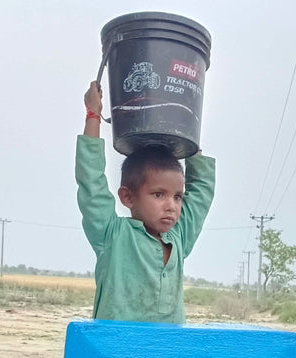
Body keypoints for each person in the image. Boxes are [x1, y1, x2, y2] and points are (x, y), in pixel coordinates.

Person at [77, 80, 216, 323]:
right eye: (158, 194)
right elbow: (91, 181)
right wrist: (93, 114)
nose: (171, 205)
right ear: (128, 197)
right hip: (116, 355)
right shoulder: (112, 235)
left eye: (177, 196)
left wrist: (186, 130)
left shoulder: (179, 236)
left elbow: (202, 191)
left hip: (166, 357)